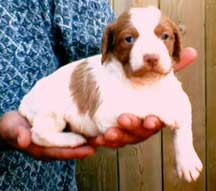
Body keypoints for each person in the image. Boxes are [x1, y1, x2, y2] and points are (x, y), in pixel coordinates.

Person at [0, 0, 197, 190]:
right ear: (108, 46)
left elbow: (181, 105)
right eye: (129, 39)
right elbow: (105, 120)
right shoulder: (110, 76)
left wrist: (184, 145)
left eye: (164, 37)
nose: (151, 53)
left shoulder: (166, 79)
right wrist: (163, 110)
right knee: (51, 106)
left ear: (176, 44)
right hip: (37, 119)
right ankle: (44, 134)